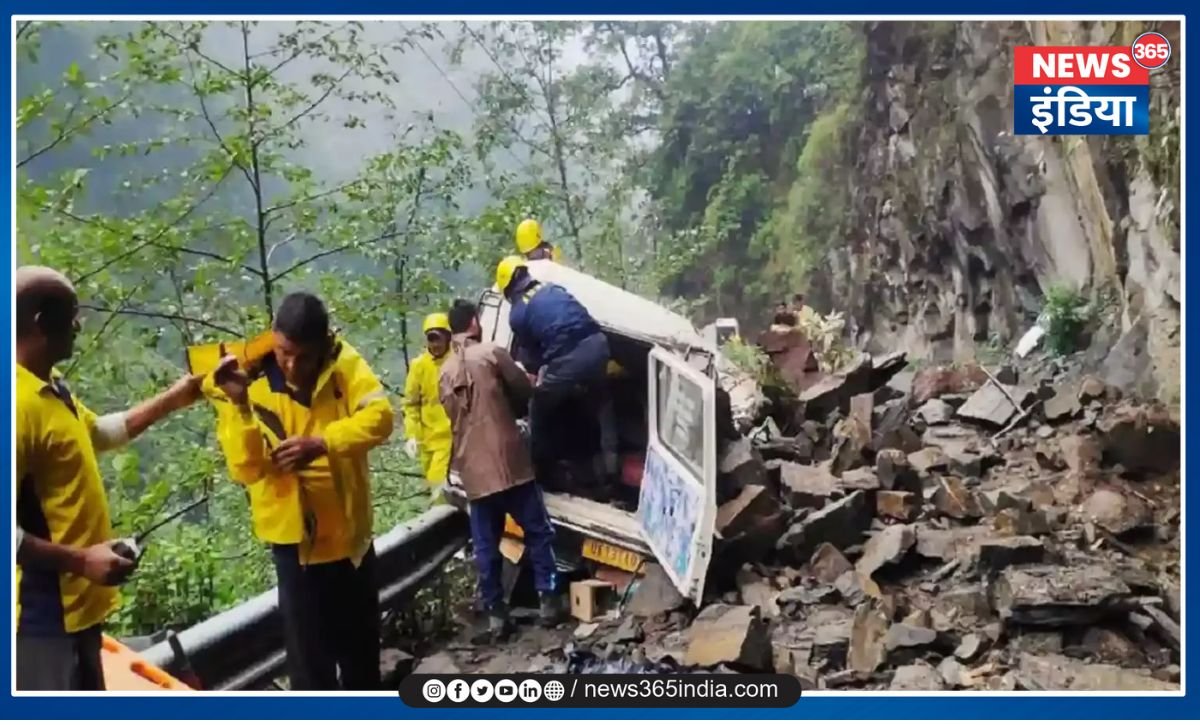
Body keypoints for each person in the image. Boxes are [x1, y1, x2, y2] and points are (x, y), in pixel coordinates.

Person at [15, 265, 202, 691]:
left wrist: (179, 395)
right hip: (39, 618)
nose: (79, 325)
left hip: (79, 609)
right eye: (73, 314)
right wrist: (80, 560)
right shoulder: (17, 405)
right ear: (43, 323)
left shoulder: (51, 386)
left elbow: (98, 432)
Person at [205, 291, 394, 690]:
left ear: (323, 346)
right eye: (283, 352)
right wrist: (239, 407)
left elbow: (381, 418)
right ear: (273, 339)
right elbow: (245, 469)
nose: (291, 364)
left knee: (361, 659)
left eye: (303, 356)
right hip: (296, 552)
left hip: (351, 543)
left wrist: (323, 442)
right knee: (310, 668)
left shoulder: (344, 364)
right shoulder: (247, 379)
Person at [438, 299, 562, 640]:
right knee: (537, 531)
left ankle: (496, 614)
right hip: (510, 463)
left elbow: (454, 418)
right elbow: (524, 389)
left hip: (474, 474)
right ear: (475, 323)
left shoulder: (444, 372)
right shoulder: (492, 353)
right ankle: (549, 600)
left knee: (486, 546)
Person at [493, 256, 616, 494]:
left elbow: (534, 359)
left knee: (539, 406)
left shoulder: (518, 312)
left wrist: (532, 378)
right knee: (601, 403)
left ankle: (540, 473)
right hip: (599, 346)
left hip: (570, 358)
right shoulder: (552, 288)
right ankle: (610, 470)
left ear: (507, 287)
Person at [403, 313, 453, 490]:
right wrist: (412, 436)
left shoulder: (457, 361)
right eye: (431, 339)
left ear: (448, 337)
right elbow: (411, 404)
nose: (435, 345)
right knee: (433, 485)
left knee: (439, 485)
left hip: (450, 439)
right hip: (427, 442)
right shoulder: (419, 365)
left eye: (438, 339)